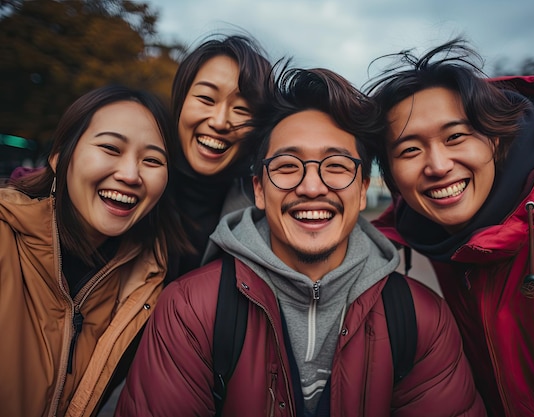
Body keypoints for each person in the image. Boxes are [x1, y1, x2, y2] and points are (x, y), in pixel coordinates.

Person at [114, 66, 485, 416]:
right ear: (259, 189)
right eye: (287, 166)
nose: (311, 187)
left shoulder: (422, 319)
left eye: (337, 166)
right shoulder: (190, 309)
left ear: (361, 191)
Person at [366, 38, 534, 416]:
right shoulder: (421, 244)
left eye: (455, 136)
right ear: (391, 175)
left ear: (497, 140)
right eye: (409, 150)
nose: (437, 166)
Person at [0, 85, 189, 417]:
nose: (130, 175)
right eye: (110, 148)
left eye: (152, 160)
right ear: (60, 157)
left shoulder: (148, 283)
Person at [167, 33, 273, 281]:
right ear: (180, 100)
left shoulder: (265, 217)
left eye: (242, 109)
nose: (219, 122)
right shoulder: (131, 187)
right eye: (206, 99)